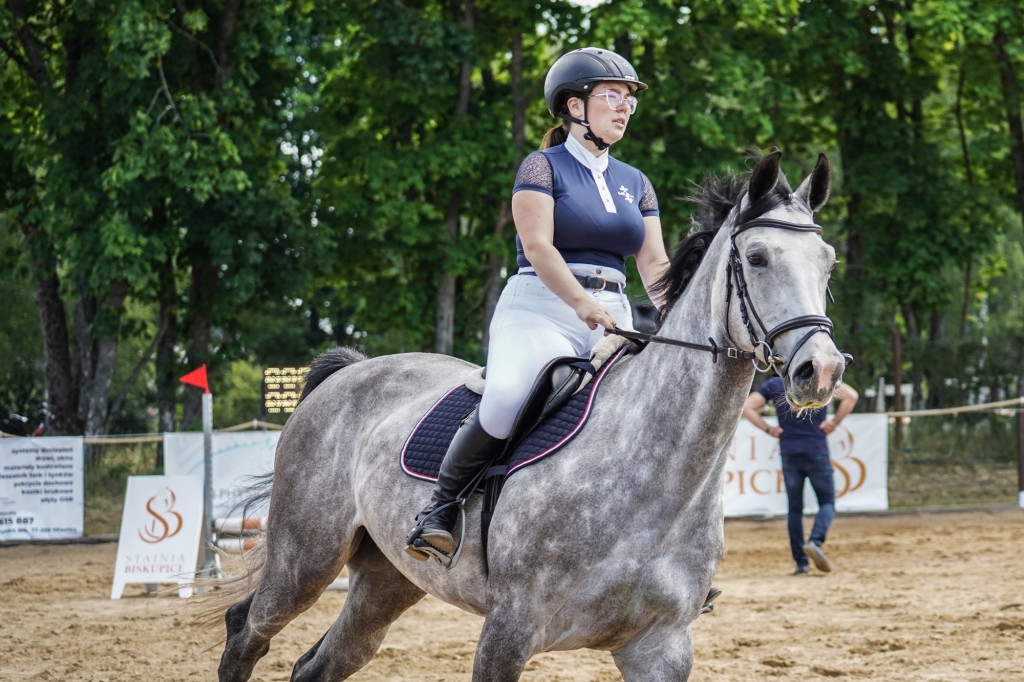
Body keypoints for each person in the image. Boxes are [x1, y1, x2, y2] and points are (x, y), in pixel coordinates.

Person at [406, 47, 669, 563]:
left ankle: (666, 543)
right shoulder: (542, 166)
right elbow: (538, 248)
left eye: (628, 101)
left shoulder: (636, 181)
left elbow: (655, 264)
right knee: (507, 396)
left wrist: (676, 315)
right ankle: (439, 511)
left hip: (615, 313)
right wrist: (581, 303)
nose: (624, 109)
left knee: (660, 410)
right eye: (611, 96)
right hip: (542, 305)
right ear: (574, 106)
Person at [741, 377, 859, 575]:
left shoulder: (776, 385)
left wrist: (768, 429)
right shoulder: (820, 380)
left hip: (789, 451)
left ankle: (801, 563)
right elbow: (851, 396)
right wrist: (834, 423)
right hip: (816, 449)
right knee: (827, 502)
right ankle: (815, 541)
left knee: (794, 509)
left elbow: (747, 407)